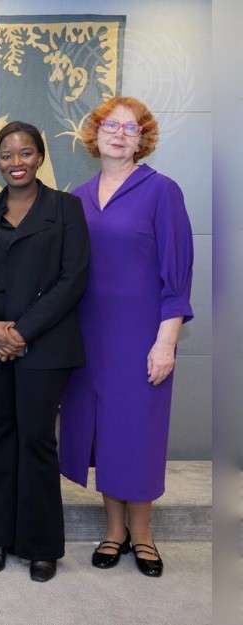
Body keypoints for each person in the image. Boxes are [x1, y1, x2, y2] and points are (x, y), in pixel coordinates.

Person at [59, 96, 193, 578]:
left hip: (141, 336)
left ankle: (143, 535)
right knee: (103, 436)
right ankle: (112, 531)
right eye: (111, 126)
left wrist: (166, 341)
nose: (119, 134)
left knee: (138, 435)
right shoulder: (76, 196)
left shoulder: (162, 191)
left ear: (144, 139)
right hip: (88, 337)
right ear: (94, 135)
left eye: (131, 128)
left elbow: (177, 276)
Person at [0, 121, 90, 582]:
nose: (16, 162)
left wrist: (20, 334)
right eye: (7, 155)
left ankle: (40, 544)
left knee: (36, 440)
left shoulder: (66, 208)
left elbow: (72, 279)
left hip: (45, 346)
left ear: (40, 157)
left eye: (25, 153)